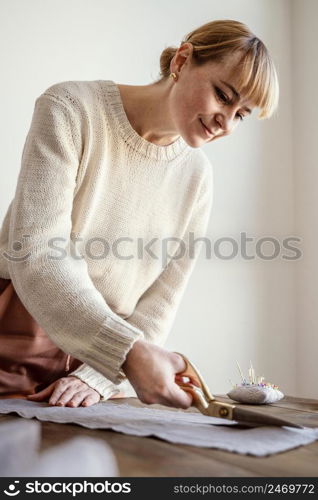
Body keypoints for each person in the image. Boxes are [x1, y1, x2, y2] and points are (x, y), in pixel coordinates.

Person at [0, 19, 279, 408]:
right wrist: (125, 352)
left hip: (104, 366)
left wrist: (100, 373)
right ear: (183, 60)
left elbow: (162, 299)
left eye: (242, 114)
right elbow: (37, 252)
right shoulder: (70, 108)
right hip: (19, 333)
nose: (226, 122)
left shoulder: (197, 177)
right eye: (223, 95)